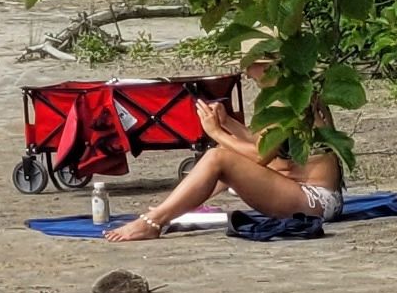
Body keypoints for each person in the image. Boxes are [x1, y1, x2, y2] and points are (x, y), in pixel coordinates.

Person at [102, 56, 342, 242]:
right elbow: (264, 145)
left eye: (252, 65)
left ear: (272, 65)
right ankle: (172, 208)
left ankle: (153, 222)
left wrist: (215, 132)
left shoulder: (288, 100)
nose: (247, 74)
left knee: (219, 156)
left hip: (315, 201)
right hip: (303, 193)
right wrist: (226, 123)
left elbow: (259, 156)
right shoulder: (291, 92)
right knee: (224, 154)